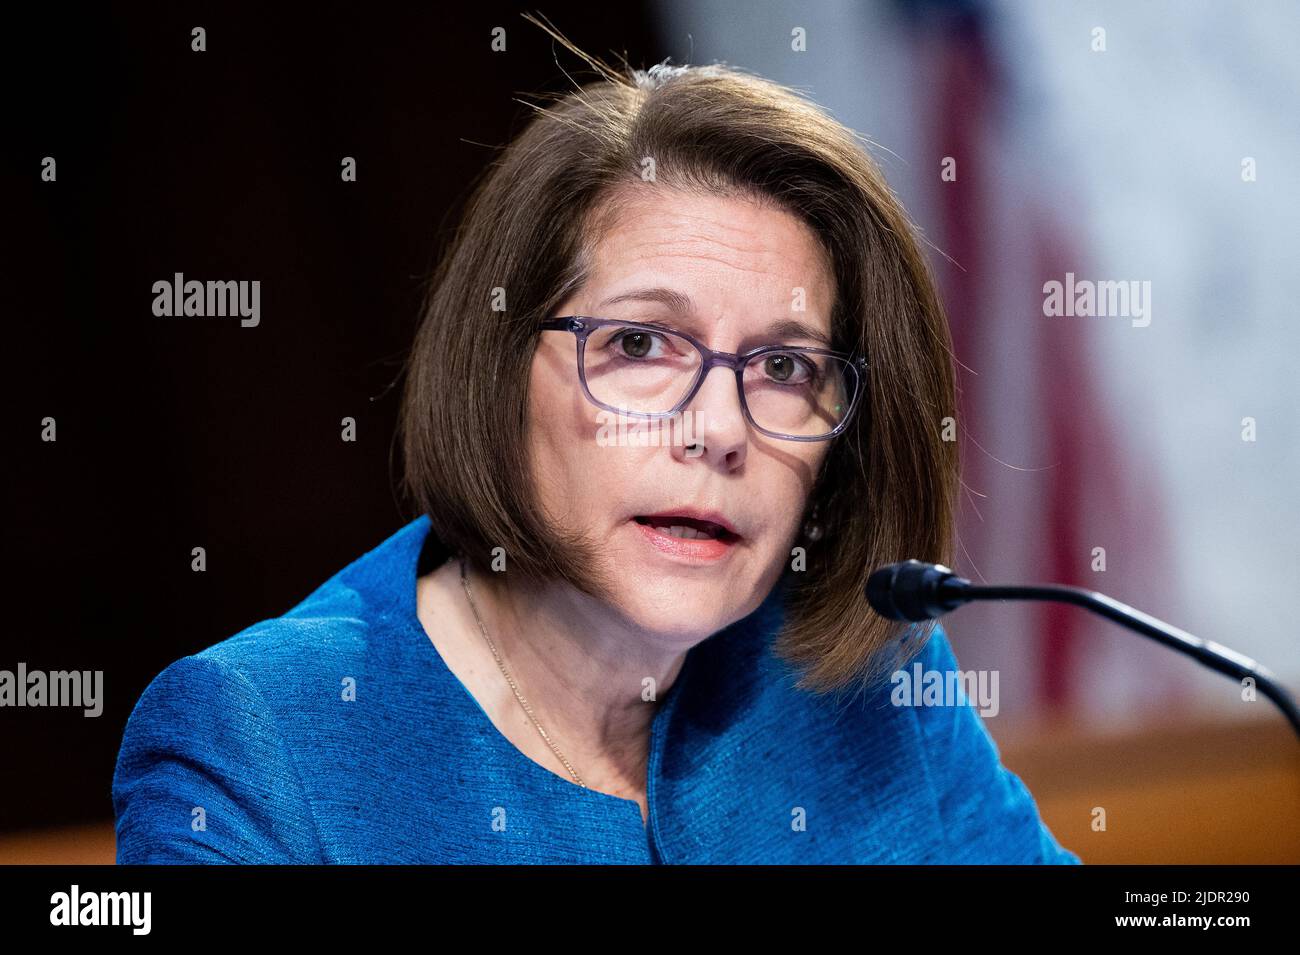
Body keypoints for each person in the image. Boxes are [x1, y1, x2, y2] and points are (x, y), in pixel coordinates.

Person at [111, 33, 1080, 865]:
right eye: (639, 344)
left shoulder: (870, 678)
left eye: (783, 366)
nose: (719, 429)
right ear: (498, 370)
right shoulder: (262, 735)